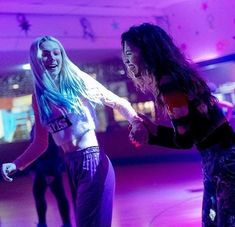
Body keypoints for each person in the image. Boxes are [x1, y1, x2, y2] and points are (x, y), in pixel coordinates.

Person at [1, 35, 147, 227]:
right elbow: (40, 142)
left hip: (93, 161)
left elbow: (118, 102)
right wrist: (16, 164)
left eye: (56, 53)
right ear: (36, 59)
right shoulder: (39, 98)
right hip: (71, 165)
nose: (53, 58)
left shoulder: (75, 81)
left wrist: (136, 123)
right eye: (46, 54)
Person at [121, 23, 235, 226]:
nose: (127, 59)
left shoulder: (168, 83)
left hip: (222, 162)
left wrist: (151, 135)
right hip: (224, 156)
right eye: (125, 53)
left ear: (148, 50)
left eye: (130, 52)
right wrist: (153, 129)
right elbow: (193, 129)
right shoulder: (179, 75)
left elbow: (184, 140)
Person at [30, 127, 71, 227]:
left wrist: (50, 172)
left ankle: (65, 223)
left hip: (49, 166)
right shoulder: (37, 125)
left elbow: (51, 148)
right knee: (40, 193)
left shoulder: (45, 125)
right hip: (43, 166)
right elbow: (34, 148)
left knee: (58, 194)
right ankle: (44, 223)